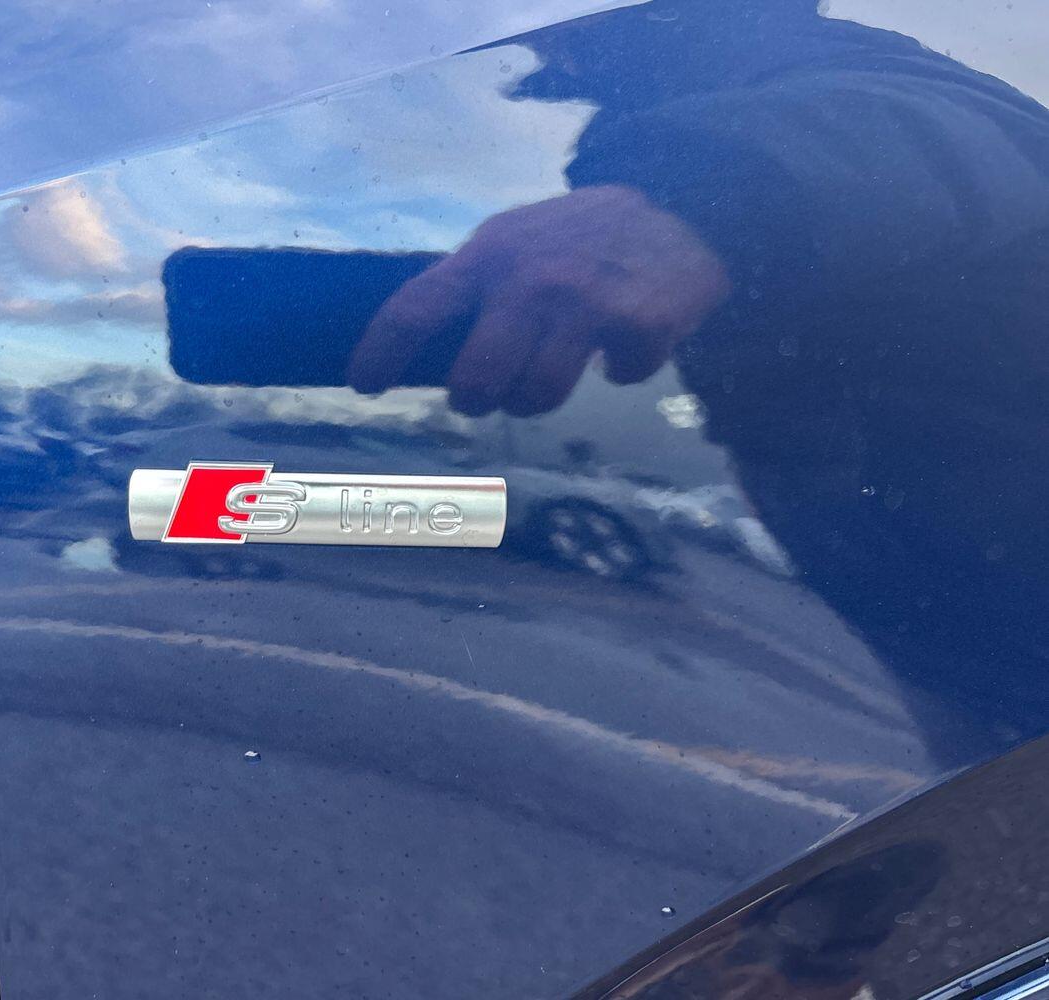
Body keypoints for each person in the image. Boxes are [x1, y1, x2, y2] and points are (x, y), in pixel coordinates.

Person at [349, 0, 1049, 765]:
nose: (541, 32)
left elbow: (971, 131)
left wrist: (703, 196)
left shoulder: (778, 49)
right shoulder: (633, 113)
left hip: (1012, 567)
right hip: (907, 608)